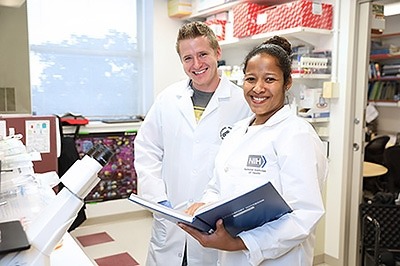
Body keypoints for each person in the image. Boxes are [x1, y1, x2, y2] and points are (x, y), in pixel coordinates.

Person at [178, 36, 329, 266]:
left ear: (287, 82)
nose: (258, 88)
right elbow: (217, 186)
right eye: (251, 79)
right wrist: (203, 208)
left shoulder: (297, 135)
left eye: (270, 79)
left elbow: (303, 216)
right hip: (230, 257)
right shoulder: (237, 132)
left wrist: (239, 243)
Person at [133, 21, 252, 266]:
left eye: (202, 54)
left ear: (217, 53)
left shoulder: (243, 102)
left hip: (217, 222)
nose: (196, 65)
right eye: (188, 58)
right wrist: (158, 199)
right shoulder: (168, 99)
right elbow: (147, 149)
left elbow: (246, 165)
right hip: (171, 217)